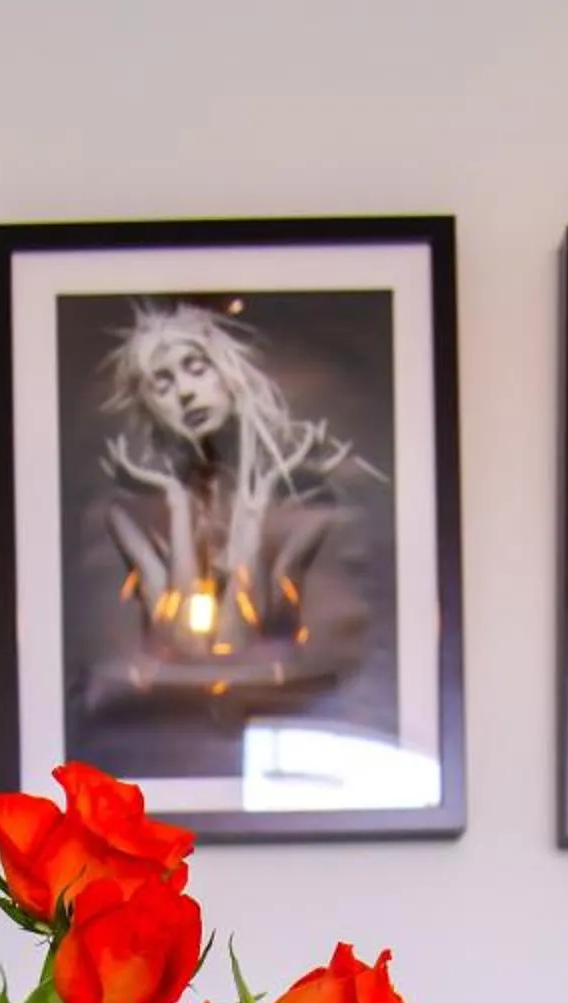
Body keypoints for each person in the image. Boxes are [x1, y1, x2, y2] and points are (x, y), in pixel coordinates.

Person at [90, 301, 371, 714]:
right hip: (174, 737)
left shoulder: (306, 502)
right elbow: (185, 647)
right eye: (162, 383)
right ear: (148, 406)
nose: (185, 392)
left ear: (227, 375)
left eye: (196, 367)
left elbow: (243, 640)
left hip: (284, 724)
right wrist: (178, 507)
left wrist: (257, 513)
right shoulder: (130, 514)